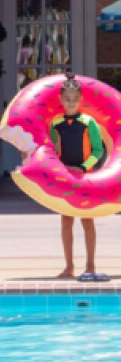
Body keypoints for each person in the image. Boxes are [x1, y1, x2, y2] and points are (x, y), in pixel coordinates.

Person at [50, 73, 107, 282]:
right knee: (66, 222)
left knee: (87, 221)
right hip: (65, 178)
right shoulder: (56, 123)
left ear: (81, 99)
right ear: (61, 99)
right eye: (67, 99)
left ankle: (90, 265)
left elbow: (98, 150)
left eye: (75, 99)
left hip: (84, 178)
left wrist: (83, 167)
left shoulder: (89, 122)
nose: (71, 102)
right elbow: (51, 149)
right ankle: (69, 266)